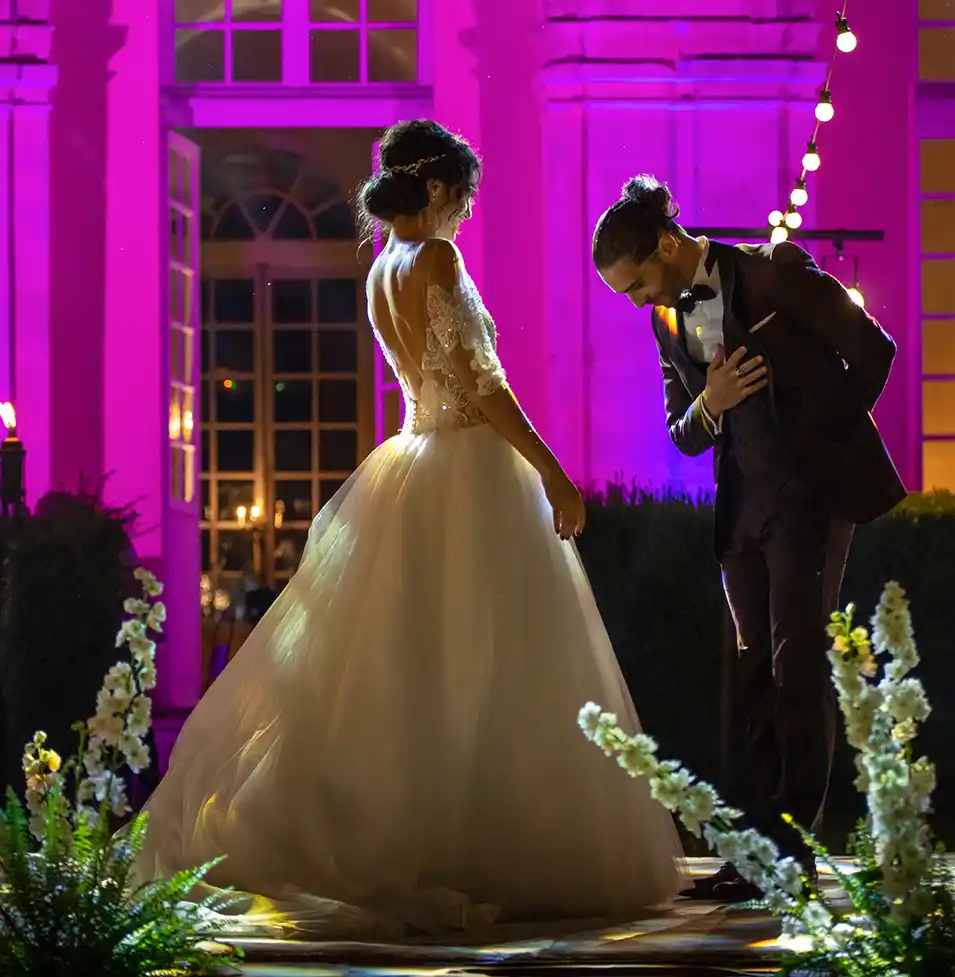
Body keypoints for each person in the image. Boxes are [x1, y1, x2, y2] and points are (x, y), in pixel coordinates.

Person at [133, 122, 684, 937]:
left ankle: (430, 838)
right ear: (437, 191)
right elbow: (481, 383)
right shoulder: (435, 258)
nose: (465, 214)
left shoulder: (379, 270)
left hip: (409, 458)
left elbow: (427, 380)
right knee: (486, 664)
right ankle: (475, 844)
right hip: (467, 465)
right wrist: (552, 470)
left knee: (411, 668)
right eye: (463, 197)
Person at [592, 175, 905, 896]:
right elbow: (683, 435)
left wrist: (820, 436)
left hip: (807, 501)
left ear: (667, 246)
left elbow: (874, 352)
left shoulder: (773, 273)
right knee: (751, 679)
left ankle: (792, 854)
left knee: (797, 670)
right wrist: (712, 400)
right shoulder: (666, 323)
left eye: (638, 284)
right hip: (742, 514)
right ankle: (750, 852)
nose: (638, 302)